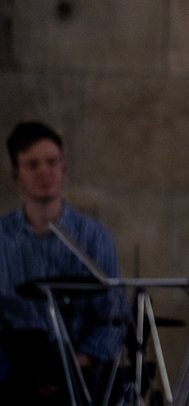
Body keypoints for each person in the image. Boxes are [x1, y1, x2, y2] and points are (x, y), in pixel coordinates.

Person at [0, 121, 126, 405]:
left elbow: (113, 316)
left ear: (64, 168)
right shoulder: (2, 238)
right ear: (15, 173)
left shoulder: (94, 238)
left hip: (81, 368)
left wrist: (79, 361)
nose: (44, 172)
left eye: (52, 162)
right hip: (16, 370)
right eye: (32, 165)